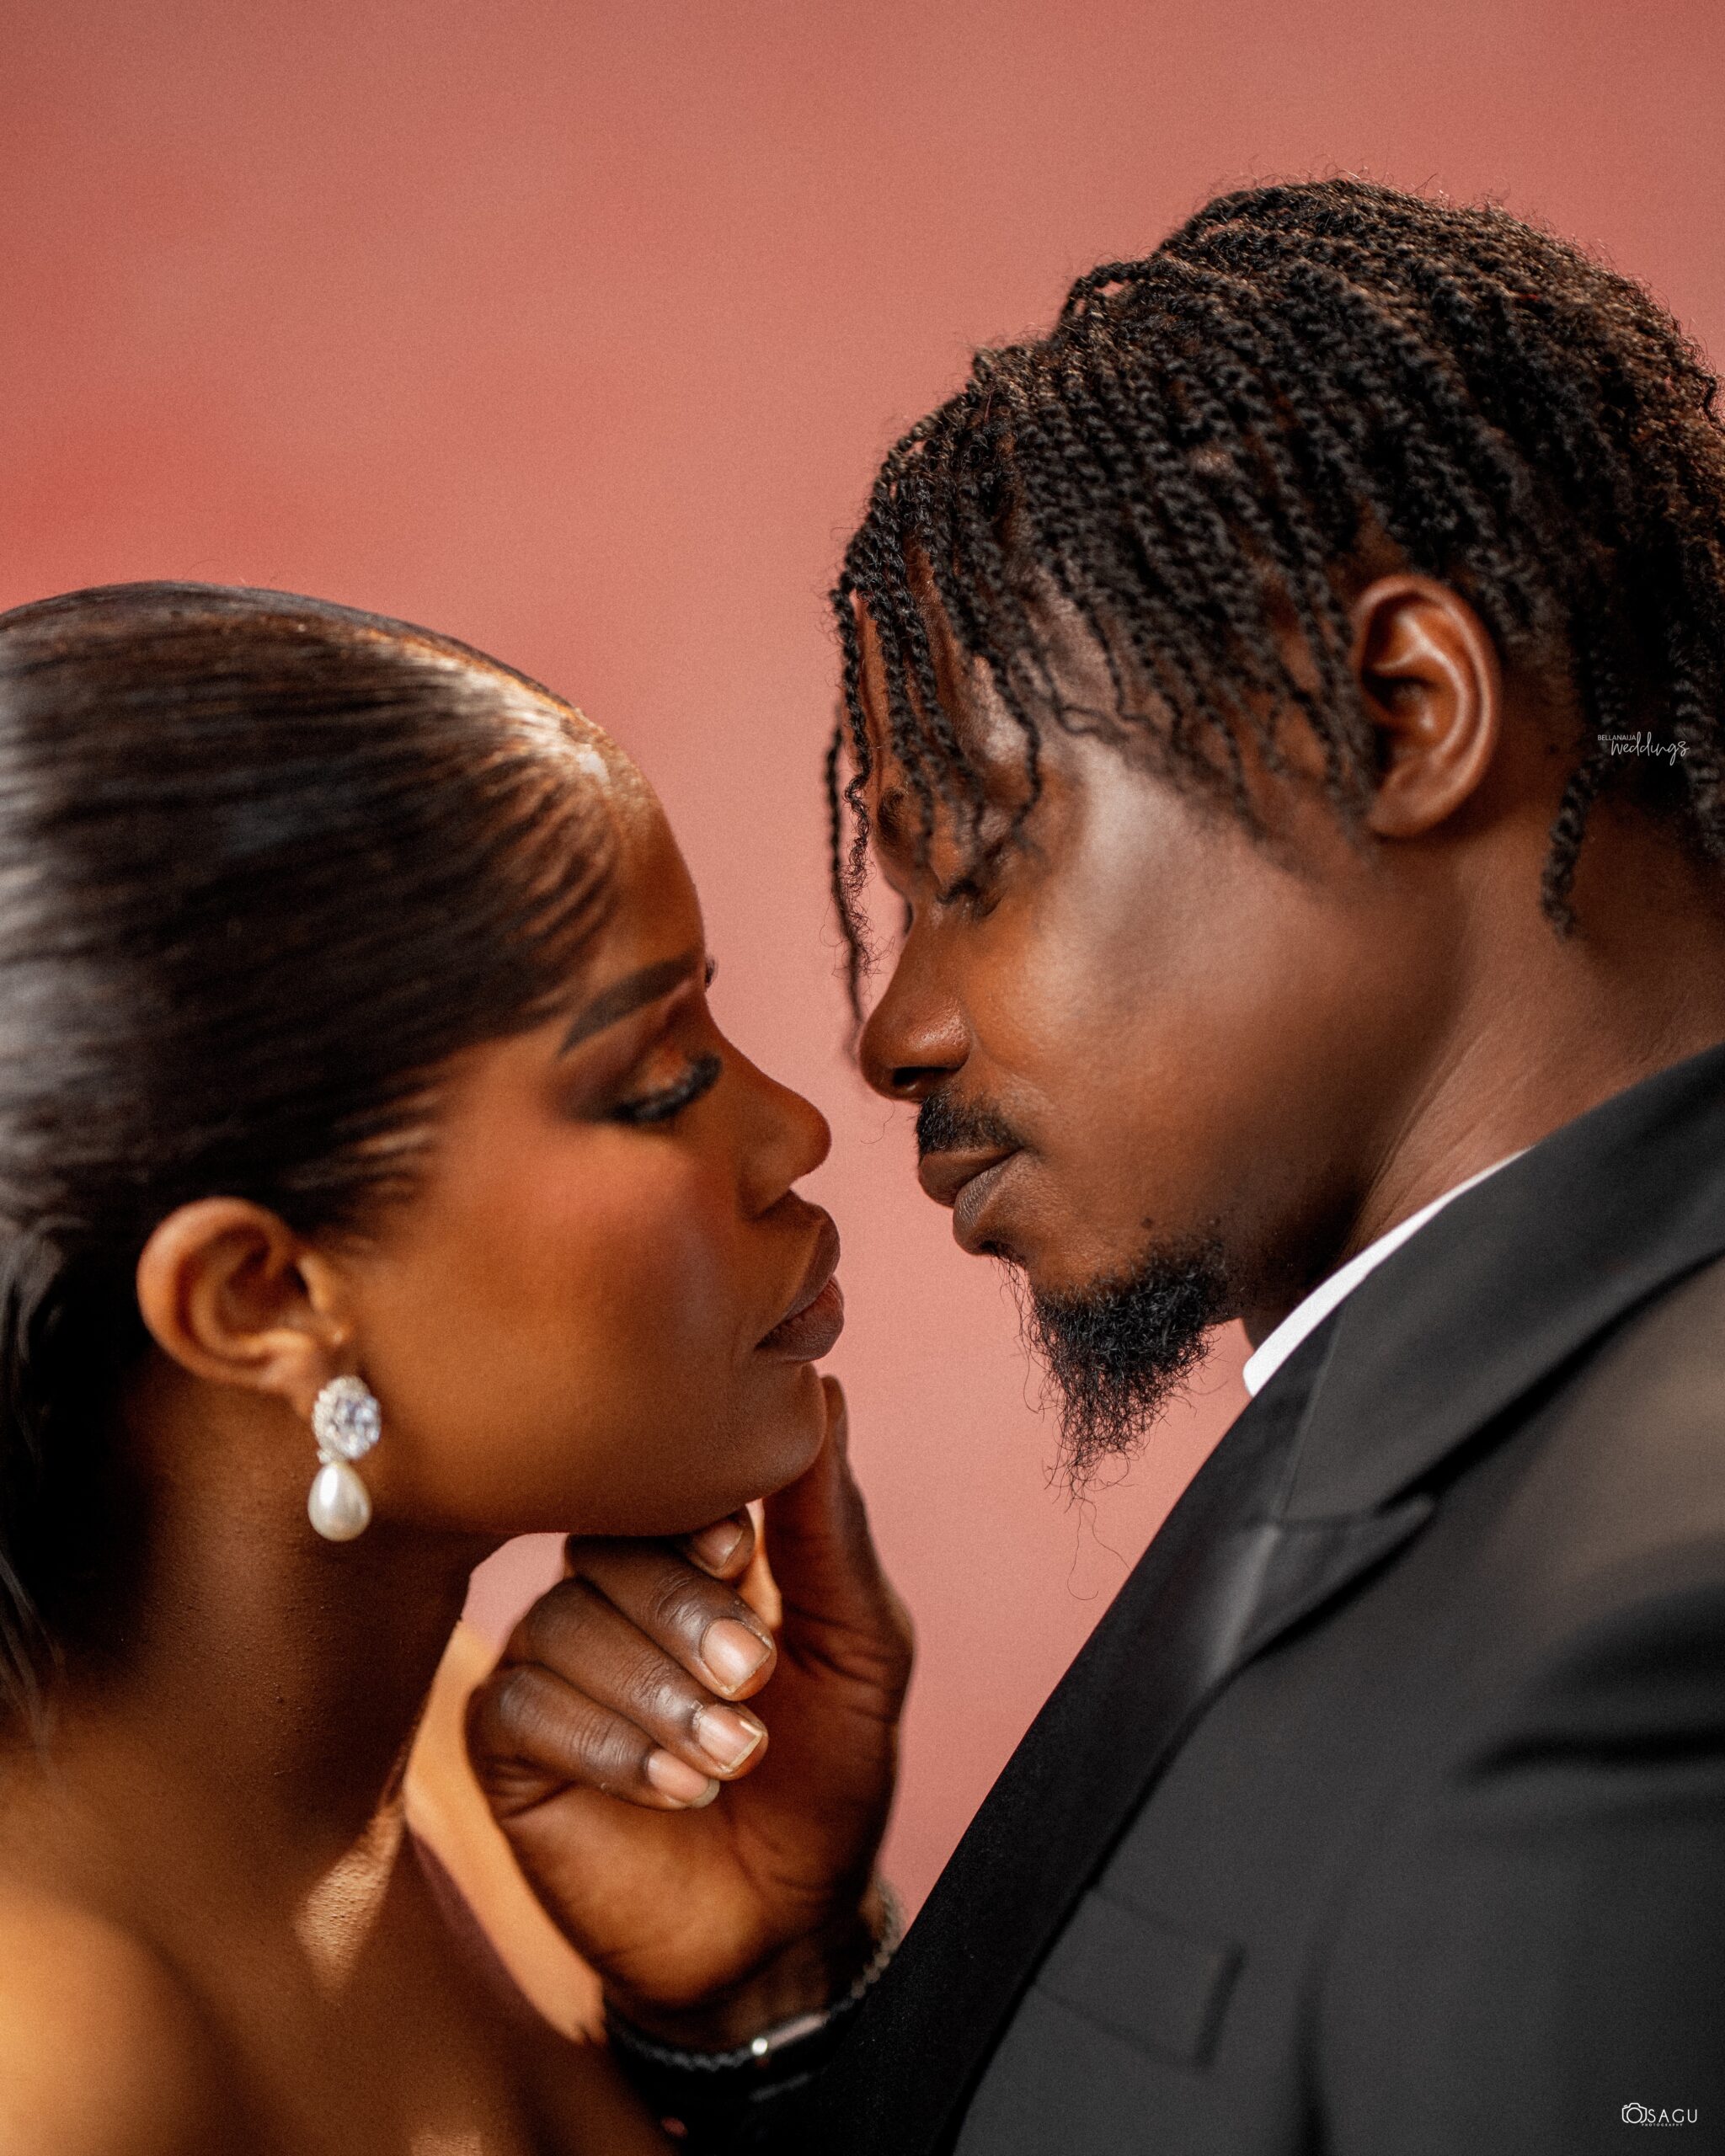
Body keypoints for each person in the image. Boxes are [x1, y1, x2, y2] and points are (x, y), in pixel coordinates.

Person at [467, 179, 1725, 2152]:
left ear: (1405, 713)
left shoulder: (1655, 1627)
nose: (893, 1031)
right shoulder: (1452, 1422)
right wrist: (779, 2009)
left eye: (975, 854)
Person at [0, 582, 912, 2153]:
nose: (793, 1132)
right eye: (660, 1080)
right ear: (264, 1297)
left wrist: (763, 2013)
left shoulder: (491, 1773)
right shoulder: (54, 2061)